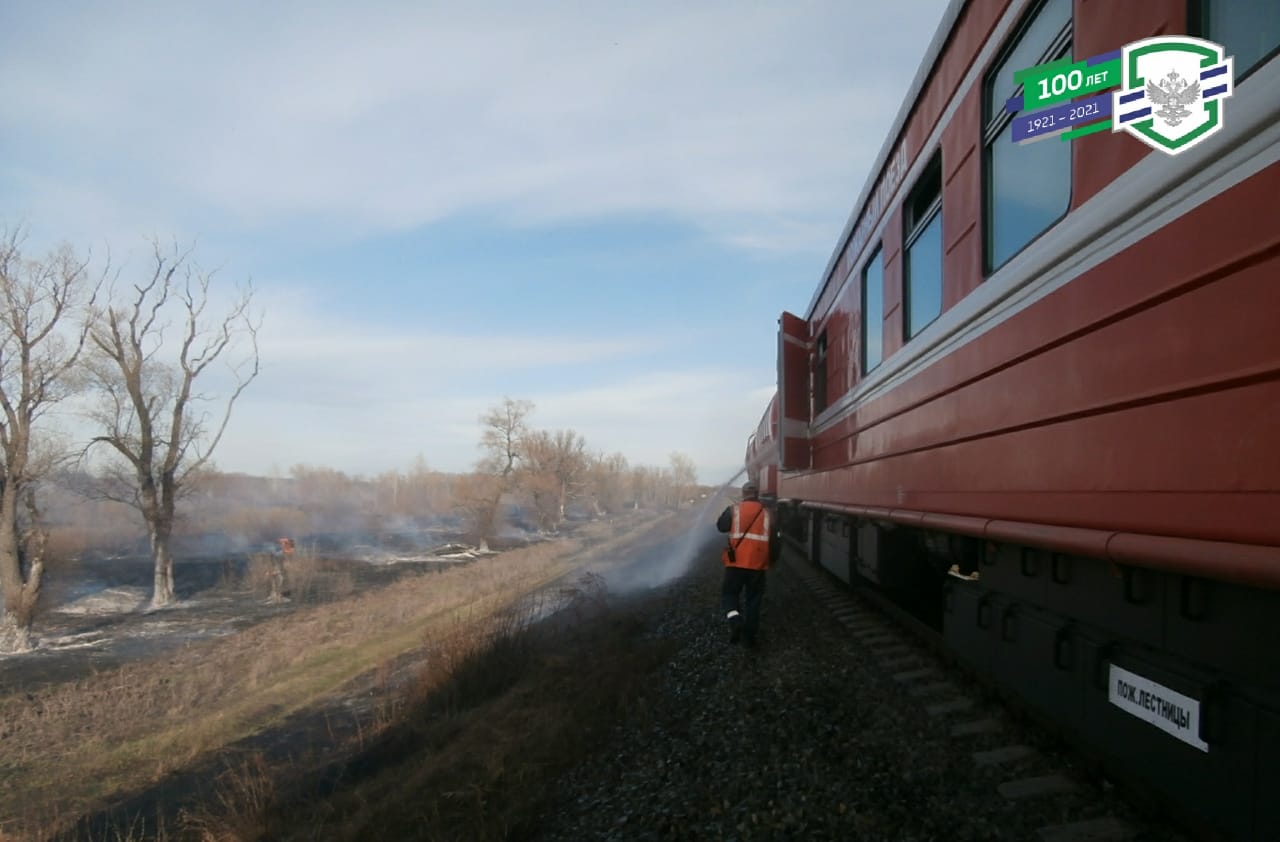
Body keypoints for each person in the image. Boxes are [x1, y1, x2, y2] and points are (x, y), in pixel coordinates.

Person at [715, 480, 779, 648]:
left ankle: (735, 621)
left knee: (729, 595)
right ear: (757, 494)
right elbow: (775, 541)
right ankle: (749, 637)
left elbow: (720, 527)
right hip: (758, 565)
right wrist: (772, 560)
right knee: (754, 601)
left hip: (735, 563)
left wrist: (728, 513)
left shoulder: (734, 510)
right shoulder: (768, 514)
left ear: (743, 494)